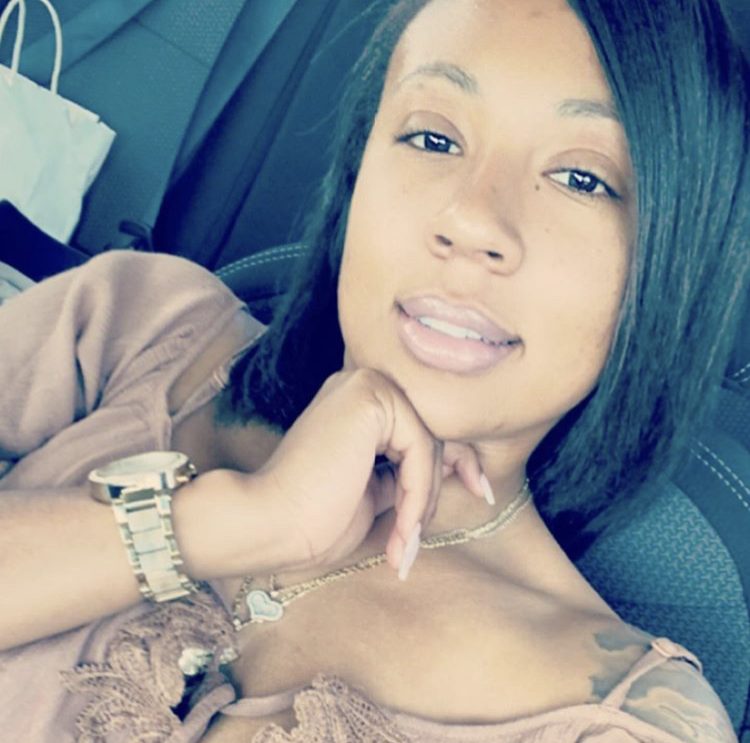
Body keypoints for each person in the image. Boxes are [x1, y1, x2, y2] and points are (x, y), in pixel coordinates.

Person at [0, 0, 747, 740]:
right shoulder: (140, 324)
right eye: (433, 137)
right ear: (357, 177)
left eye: (582, 178)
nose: (471, 220)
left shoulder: (631, 722)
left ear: (668, 269)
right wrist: (241, 519)